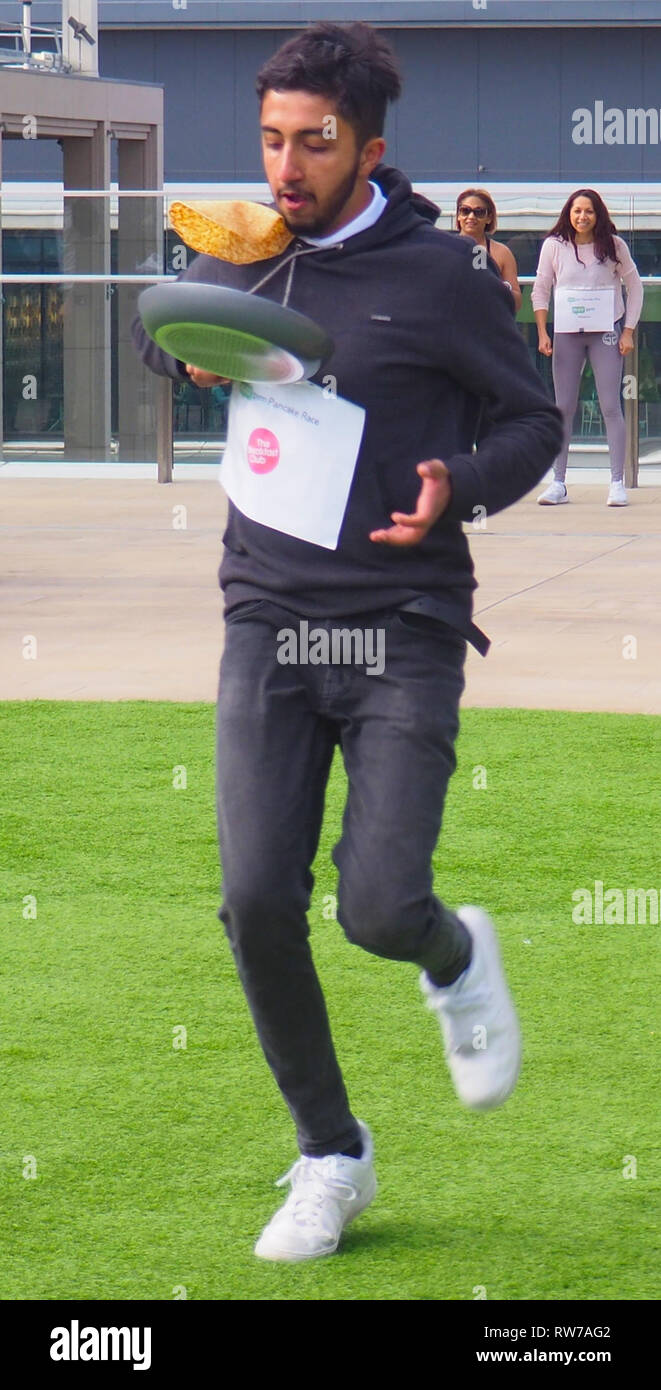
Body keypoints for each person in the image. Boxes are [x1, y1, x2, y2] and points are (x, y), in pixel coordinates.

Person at [133, 21, 562, 1264]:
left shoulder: (443, 276)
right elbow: (169, 345)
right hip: (264, 611)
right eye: (269, 140)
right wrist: (188, 351)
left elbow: (533, 420)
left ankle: (449, 946)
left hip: (403, 621)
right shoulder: (243, 259)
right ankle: (331, 1153)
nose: (283, 167)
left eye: (311, 144)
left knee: (375, 907)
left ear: (367, 147)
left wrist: (458, 483)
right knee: (256, 899)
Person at [532, 188, 644, 507]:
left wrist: (628, 331)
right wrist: (542, 331)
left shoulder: (614, 245)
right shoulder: (554, 246)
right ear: (569, 213)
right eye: (577, 210)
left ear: (599, 215)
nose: (582, 216)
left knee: (610, 405)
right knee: (563, 407)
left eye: (589, 211)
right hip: (567, 332)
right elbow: (541, 288)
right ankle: (558, 482)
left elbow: (634, 288)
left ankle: (617, 482)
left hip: (606, 332)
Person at [456, 188, 523, 312]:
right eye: (465, 211)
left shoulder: (502, 253)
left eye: (479, 212)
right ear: (458, 216)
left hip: (491, 322)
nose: (471, 217)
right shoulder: (445, 248)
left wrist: (498, 288)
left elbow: (517, 302)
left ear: (489, 217)